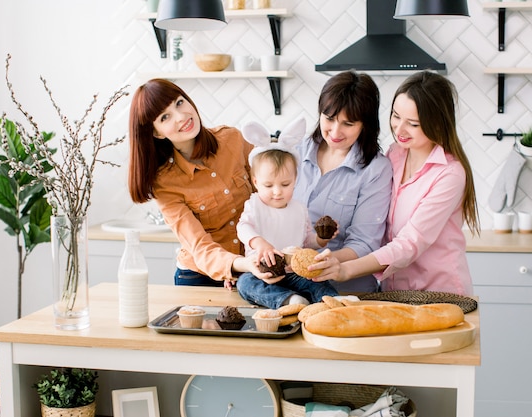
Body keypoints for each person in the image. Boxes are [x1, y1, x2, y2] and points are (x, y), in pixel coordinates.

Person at [309, 71, 480, 295]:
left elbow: (409, 243)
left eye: (413, 124)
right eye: (396, 116)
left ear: (437, 123)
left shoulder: (449, 174)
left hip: (439, 293)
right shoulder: (394, 155)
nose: (399, 129)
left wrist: (345, 270)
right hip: (393, 291)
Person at [127, 78, 272, 288]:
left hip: (255, 265)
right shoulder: (165, 183)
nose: (181, 116)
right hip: (200, 278)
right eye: (165, 117)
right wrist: (240, 264)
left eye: (179, 103)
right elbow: (199, 246)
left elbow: (271, 195)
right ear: (156, 132)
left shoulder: (232, 139)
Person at [293, 71, 393, 293]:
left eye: (347, 123)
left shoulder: (376, 169)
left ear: (365, 125)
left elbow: (365, 243)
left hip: (348, 292)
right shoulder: (294, 155)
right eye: (329, 119)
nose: (335, 132)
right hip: (290, 287)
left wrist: (319, 263)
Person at [235, 118, 339, 309]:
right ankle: (288, 300)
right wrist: (260, 243)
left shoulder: (299, 209)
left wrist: (322, 240)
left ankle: (335, 302)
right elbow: (242, 228)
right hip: (262, 274)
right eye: (268, 185)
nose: (277, 191)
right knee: (245, 284)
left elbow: (307, 241)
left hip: (294, 273)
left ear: (295, 180)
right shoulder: (254, 204)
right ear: (256, 182)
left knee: (317, 282)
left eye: (285, 184)